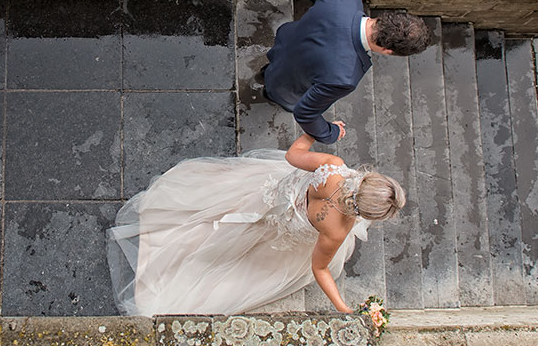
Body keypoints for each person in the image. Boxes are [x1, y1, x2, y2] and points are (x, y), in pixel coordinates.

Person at [107, 132, 405, 316]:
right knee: (229, 255)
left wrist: (312, 133)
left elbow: (292, 156)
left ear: (368, 179)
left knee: (212, 209)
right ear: (365, 213)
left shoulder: (333, 169)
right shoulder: (336, 230)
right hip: (275, 228)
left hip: (261, 196)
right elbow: (320, 268)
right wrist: (342, 306)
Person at [262, 0, 431, 145]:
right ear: (388, 51)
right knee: (276, 92)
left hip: (285, 43)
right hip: (286, 85)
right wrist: (331, 133)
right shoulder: (345, 77)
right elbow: (305, 112)